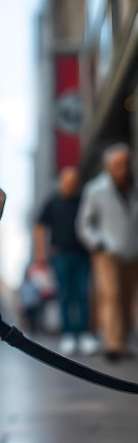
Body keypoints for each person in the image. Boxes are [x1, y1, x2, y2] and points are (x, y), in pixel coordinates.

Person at [77, 144, 138, 362]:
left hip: (132, 251)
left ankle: (122, 341)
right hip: (107, 253)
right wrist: (98, 243)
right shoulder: (95, 189)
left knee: (128, 298)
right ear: (108, 166)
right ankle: (113, 344)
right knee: (110, 296)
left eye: (126, 163)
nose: (124, 168)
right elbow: (84, 224)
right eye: (118, 164)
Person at [35, 167, 99, 355]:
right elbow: (39, 227)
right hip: (60, 255)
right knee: (65, 294)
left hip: (82, 254)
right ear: (61, 181)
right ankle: (68, 334)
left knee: (82, 293)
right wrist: (41, 253)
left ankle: (84, 333)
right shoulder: (52, 202)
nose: (70, 184)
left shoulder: (83, 201)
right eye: (67, 181)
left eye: (74, 181)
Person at [18, 266, 43, 335]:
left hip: (34, 304)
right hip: (27, 305)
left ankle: (35, 331)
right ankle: (31, 331)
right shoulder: (23, 284)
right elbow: (21, 295)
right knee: (29, 319)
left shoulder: (33, 283)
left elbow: (37, 293)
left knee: (34, 318)